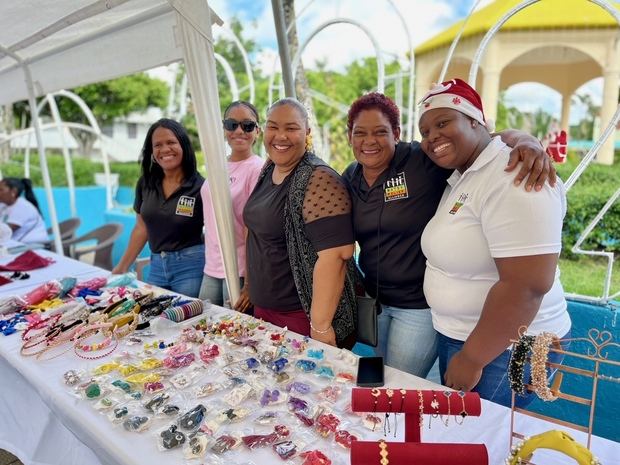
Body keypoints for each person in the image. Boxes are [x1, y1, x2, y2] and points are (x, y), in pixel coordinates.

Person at [342, 92, 555, 379]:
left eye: (381, 132)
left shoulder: (421, 160)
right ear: (349, 136)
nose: (370, 141)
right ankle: (374, 421)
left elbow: (483, 142)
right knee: (379, 374)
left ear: (397, 134)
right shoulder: (351, 176)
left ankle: (386, 423)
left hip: (416, 306)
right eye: (360, 133)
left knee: (398, 383)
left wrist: (525, 140)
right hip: (376, 301)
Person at [418, 78, 570, 407]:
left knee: (487, 441)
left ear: (476, 121)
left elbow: (526, 286)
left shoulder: (515, 174)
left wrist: (472, 358)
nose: (432, 137)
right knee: (469, 436)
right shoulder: (470, 172)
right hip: (471, 339)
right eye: (425, 132)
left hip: (505, 348)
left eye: (443, 123)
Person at [243, 98, 357, 347]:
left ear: (306, 133)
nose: (280, 136)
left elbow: (337, 256)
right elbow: (256, 233)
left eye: (291, 128)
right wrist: (249, 288)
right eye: (273, 126)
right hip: (265, 309)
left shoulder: (319, 178)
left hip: (300, 316)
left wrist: (321, 326)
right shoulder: (270, 167)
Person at [112, 119, 205, 298]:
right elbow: (141, 228)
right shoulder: (145, 183)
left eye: (171, 142)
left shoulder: (200, 186)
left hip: (191, 267)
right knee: (154, 320)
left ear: (184, 145)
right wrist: (122, 267)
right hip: (156, 266)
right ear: (152, 152)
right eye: (158, 145)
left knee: (184, 321)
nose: (165, 149)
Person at [199, 101, 264, 309]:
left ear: (257, 131)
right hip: (212, 266)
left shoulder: (258, 169)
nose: (239, 131)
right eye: (231, 124)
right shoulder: (217, 165)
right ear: (224, 128)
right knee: (205, 329)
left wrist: (250, 283)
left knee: (234, 335)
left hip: (240, 271)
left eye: (247, 125)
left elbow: (253, 228)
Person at [0, 178, 48, 244]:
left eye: (1, 190)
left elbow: (4, 232)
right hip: (18, 246)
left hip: (33, 246)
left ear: (13, 191)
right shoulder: (4, 205)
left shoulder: (22, 207)